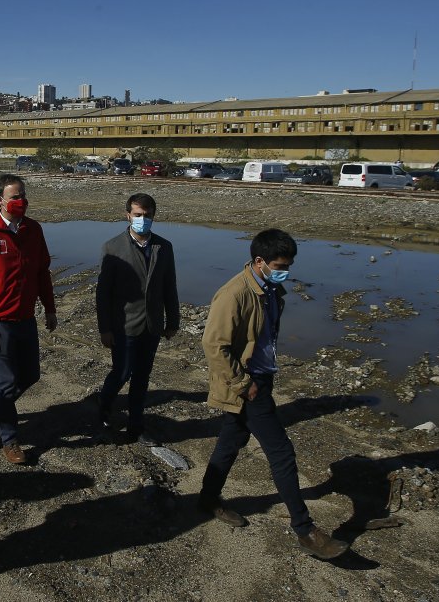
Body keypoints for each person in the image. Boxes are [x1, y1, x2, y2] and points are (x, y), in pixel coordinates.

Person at [198, 229, 349, 560]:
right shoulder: (234, 294)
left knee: (230, 441)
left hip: (261, 379)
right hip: (248, 384)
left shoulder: (270, 289)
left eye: (289, 265)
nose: (286, 271)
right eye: (280, 264)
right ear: (259, 261)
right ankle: (305, 530)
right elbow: (213, 345)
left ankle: (207, 499)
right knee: (281, 452)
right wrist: (242, 383)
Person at [0, 175, 56, 465]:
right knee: (7, 381)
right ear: (0, 200)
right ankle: (10, 440)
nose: (21, 201)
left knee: (31, 375)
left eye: (23, 195)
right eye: (15, 197)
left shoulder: (33, 229)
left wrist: (50, 309)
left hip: (25, 317)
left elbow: (42, 272)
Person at [95, 193, 179, 446]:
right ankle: (104, 407)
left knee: (142, 377)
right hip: (124, 325)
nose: (143, 219)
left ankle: (136, 426)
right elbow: (103, 293)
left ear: (154, 215)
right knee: (121, 372)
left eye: (147, 215)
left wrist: (173, 321)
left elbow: (169, 286)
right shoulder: (113, 247)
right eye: (138, 215)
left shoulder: (164, 247)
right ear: (128, 215)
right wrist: (105, 328)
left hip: (151, 325)